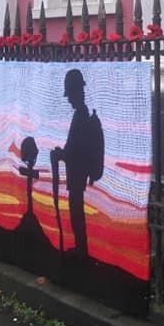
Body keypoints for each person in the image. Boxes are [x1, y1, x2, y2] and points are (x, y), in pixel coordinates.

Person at [51, 69, 104, 258]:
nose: (68, 99)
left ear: (76, 92)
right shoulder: (82, 114)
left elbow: (74, 148)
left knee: (76, 213)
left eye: (70, 94)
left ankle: (82, 250)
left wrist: (61, 155)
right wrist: (63, 153)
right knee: (76, 211)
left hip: (78, 173)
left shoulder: (81, 116)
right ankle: (81, 248)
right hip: (78, 173)